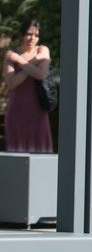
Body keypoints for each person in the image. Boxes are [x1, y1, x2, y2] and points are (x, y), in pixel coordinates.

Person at [3, 18, 53, 153]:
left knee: (41, 152)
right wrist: (32, 64)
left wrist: (19, 60)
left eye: (36, 35)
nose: (33, 38)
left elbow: (41, 74)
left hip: (38, 110)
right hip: (16, 111)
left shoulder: (42, 50)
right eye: (29, 34)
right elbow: (12, 83)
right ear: (21, 35)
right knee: (17, 154)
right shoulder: (10, 54)